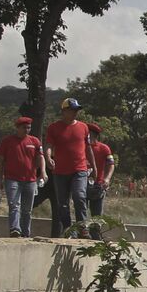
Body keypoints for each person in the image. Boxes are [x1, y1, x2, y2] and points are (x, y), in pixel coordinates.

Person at [44, 97, 95, 236]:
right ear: (64, 111)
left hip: (79, 169)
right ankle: (68, 228)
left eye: (76, 110)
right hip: (60, 171)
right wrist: (48, 158)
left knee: (79, 196)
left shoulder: (83, 127)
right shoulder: (54, 128)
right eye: (72, 110)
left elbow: (88, 148)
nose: (75, 112)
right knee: (63, 203)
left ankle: (83, 228)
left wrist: (94, 167)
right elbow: (48, 145)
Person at [0, 117, 46, 236]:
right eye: (24, 127)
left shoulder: (34, 141)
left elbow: (41, 157)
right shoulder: (7, 141)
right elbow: (1, 161)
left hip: (30, 180)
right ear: (17, 128)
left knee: (27, 209)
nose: (26, 130)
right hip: (12, 179)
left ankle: (25, 233)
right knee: (14, 204)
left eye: (29, 127)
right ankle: (15, 229)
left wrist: (43, 172)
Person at [86, 123, 116, 235]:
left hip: (98, 184)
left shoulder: (104, 148)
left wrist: (107, 179)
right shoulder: (81, 147)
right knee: (81, 211)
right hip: (82, 183)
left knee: (97, 215)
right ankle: (82, 233)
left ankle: (95, 235)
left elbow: (111, 164)